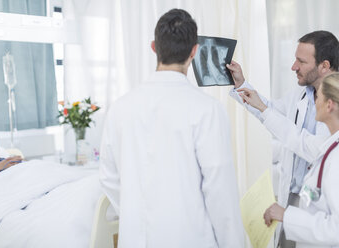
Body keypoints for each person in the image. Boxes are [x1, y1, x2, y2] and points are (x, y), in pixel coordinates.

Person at [99, 8, 245, 248]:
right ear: (194, 51)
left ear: (154, 47)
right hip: (191, 238)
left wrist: (138, 213)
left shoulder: (119, 108)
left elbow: (108, 178)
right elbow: (221, 194)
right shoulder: (207, 110)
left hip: (136, 238)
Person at [227, 30, 339, 247]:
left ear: (324, 66)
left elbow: (314, 149)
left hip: (318, 205)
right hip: (291, 195)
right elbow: (271, 111)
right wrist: (242, 84)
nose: (293, 67)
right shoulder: (301, 94)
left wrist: (264, 109)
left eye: (301, 61)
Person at [258, 72, 339, 247]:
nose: (314, 102)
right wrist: (261, 108)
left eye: (318, 97)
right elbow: (297, 139)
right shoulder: (336, 145)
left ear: (329, 105)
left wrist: (286, 215)